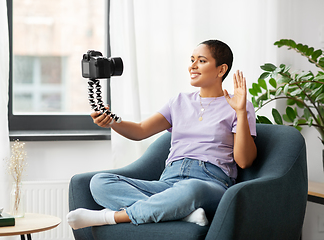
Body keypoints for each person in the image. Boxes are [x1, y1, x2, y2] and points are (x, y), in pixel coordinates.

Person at [67, 39, 257, 229]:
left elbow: (244, 161)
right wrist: (112, 122)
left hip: (208, 183)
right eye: (192, 60)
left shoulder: (239, 105)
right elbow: (141, 130)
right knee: (100, 182)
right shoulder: (179, 101)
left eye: (201, 61)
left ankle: (111, 217)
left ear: (221, 69)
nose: (192, 66)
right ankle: (180, 212)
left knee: (191, 189)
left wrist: (240, 112)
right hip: (168, 182)